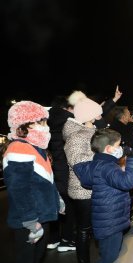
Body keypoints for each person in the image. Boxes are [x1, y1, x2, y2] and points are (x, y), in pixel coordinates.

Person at [2, 101, 64, 263]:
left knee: (35, 261)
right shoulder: (19, 149)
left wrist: (56, 200)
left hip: (40, 216)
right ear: (24, 125)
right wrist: (30, 221)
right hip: (28, 221)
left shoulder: (35, 148)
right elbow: (19, 190)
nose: (46, 127)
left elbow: (45, 181)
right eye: (41, 122)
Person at [72, 129, 133, 263]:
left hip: (108, 220)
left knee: (110, 256)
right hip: (110, 223)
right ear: (109, 149)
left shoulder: (98, 164)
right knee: (109, 260)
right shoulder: (107, 167)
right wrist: (132, 158)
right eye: (119, 145)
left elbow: (89, 182)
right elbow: (127, 182)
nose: (121, 148)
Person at [63, 97, 103, 263]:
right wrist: (103, 157)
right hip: (83, 189)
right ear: (89, 116)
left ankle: (102, 259)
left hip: (96, 187)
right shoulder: (76, 136)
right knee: (84, 229)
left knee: (97, 225)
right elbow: (78, 162)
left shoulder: (92, 132)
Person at [46, 96, 76, 252]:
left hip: (50, 167)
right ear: (66, 108)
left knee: (55, 203)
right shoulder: (70, 119)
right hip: (66, 166)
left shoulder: (45, 119)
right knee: (69, 204)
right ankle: (67, 239)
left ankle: (53, 238)